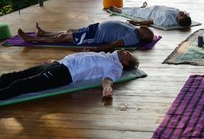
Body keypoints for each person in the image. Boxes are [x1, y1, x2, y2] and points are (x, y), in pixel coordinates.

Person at [0, 49, 139, 101]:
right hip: (59, 65)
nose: (125, 51)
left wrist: (107, 87)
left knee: (21, 84)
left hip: (64, 74)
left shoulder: (116, 67)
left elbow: (109, 78)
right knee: (17, 75)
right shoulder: (107, 55)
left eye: (128, 54)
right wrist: (56, 61)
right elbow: (82, 58)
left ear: (126, 63)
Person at [17, 20, 154, 52]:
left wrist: (96, 49)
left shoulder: (133, 38)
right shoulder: (134, 29)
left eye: (147, 32)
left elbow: (115, 44)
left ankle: (32, 39)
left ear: (144, 38)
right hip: (95, 28)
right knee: (69, 31)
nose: (146, 29)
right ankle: (43, 33)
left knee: (63, 38)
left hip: (95, 36)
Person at [109, 2, 192, 27]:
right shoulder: (178, 13)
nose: (182, 13)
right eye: (184, 14)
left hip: (149, 13)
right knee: (137, 9)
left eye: (182, 15)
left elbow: (152, 21)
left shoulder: (167, 20)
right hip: (154, 8)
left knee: (134, 11)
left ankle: (118, 10)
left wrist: (138, 23)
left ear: (178, 20)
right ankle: (142, 7)